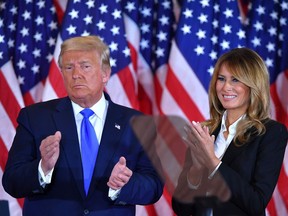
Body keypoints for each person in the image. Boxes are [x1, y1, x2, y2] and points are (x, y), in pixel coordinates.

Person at [2, 35, 163, 216]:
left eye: (85, 66)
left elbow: (154, 186)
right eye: (69, 67)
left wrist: (125, 183)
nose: (76, 74)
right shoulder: (34, 117)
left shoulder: (135, 123)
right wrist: (42, 167)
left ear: (105, 74)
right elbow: (11, 181)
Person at [172, 47, 288, 216]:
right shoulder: (206, 132)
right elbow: (181, 208)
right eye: (221, 79)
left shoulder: (271, 133)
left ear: (253, 85)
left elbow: (256, 202)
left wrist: (212, 161)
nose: (226, 87)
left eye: (235, 80)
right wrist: (195, 171)